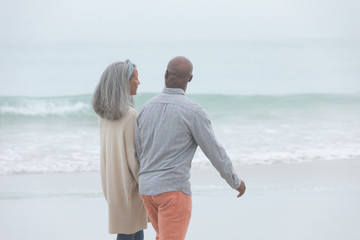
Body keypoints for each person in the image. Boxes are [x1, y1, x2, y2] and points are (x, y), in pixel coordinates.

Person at [135, 56, 246, 240]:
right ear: (190, 78)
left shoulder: (146, 107)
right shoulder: (193, 112)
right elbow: (215, 152)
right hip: (173, 190)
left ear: (165, 75)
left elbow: (139, 151)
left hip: (147, 190)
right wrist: (235, 181)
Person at [92, 59, 147, 240]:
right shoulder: (130, 115)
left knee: (133, 232)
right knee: (129, 234)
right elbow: (134, 159)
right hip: (129, 186)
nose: (139, 82)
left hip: (112, 183)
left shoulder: (104, 115)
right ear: (123, 82)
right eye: (135, 78)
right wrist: (149, 181)